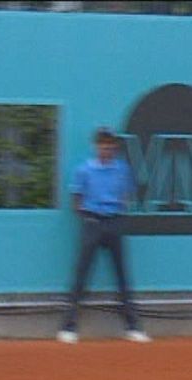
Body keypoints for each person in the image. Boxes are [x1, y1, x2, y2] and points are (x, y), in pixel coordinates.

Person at [58, 127, 148, 345]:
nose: (107, 150)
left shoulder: (122, 169)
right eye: (103, 146)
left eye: (110, 147)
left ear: (115, 148)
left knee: (122, 275)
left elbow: (126, 195)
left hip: (115, 222)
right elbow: (76, 199)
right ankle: (68, 327)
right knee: (82, 274)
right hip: (92, 223)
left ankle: (133, 327)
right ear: (96, 147)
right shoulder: (84, 170)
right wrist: (88, 218)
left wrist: (117, 214)